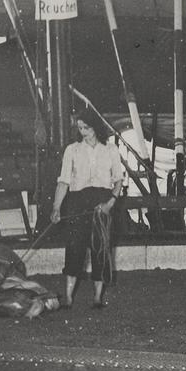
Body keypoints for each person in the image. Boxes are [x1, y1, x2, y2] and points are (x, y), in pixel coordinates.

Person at [51, 107, 124, 309]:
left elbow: (118, 181)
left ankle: (98, 298)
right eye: (80, 128)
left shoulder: (110, 150)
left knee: (101, 249)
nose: (83, 132)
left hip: (102, 202)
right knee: (74, 248)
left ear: (96, 127)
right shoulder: (72, 150)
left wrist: (110, 203)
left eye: (87, 128)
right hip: (77, 202)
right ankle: (68, 298)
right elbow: (63, 182)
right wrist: (56, 207)